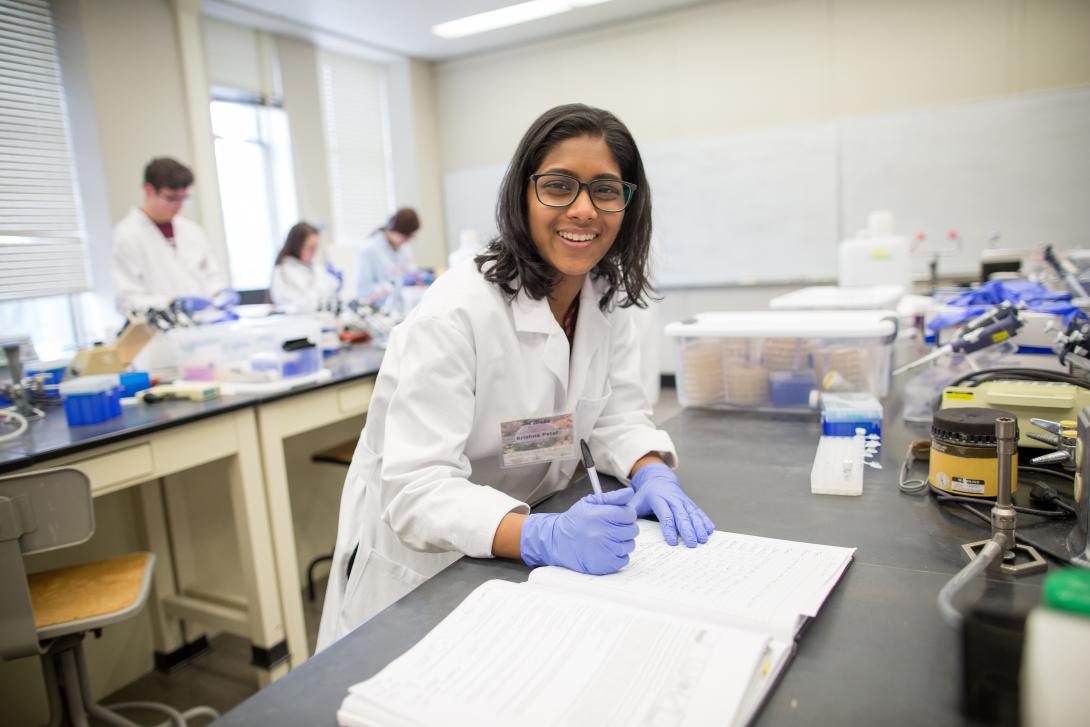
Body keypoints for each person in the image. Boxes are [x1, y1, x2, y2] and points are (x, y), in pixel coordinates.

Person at [317, 103, 715, 649]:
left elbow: (616, 413)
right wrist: (542, 535)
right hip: (426, 569)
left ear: (628, 205)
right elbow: (416, 491)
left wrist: (651, 472)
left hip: (524, 561)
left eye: (605, 190)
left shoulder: (602, 300)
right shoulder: (455, 314)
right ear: (522, 195)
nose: (583, 210)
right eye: (558, 186)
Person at [111, 157, 231, 314]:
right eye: (171, 199)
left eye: (184, 199)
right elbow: (127, 300)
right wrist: (172, 303)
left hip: (204, 324)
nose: (178, 206)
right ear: (149, 190)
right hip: (161, 334)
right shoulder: (127, 235)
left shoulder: (192, 231)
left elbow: (212, 276)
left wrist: (221, 293)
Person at [269, 222, 342, 311]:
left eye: (316, 247)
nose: (314, 252)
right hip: (297, 321)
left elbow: (329, 290)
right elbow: (293, 304)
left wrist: (334, 282)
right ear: (297, 246)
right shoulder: (283, 271)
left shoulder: (315, 267)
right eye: (310, 247)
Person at [355, 207, 420, 302]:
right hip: (380, 309)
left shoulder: (404, 247)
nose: (407, 241)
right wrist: (390, 287)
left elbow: (409, 271)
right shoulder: (369, 249)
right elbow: (363, 290)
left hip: (403, 307)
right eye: (405, 237)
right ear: (393, 229)